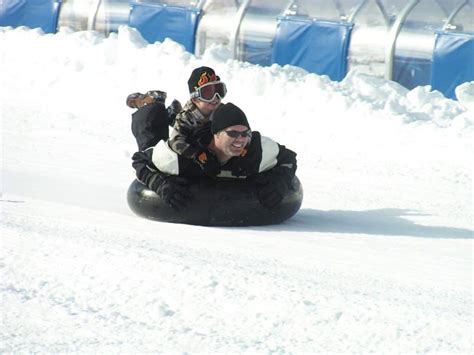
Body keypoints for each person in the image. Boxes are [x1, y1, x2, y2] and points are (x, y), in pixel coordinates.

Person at [132, 102, 297, 211]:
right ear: (216, 135)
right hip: (184, 144)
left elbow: (289, 159)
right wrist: (160, 184)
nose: (240, 140)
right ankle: (151, 105)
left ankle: (173, 114)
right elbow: (140, 160)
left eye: (244, 133)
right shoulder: (182, 156)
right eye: (232, 133)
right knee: (150, 135)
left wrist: (280, 180)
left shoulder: (257, 150)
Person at [168, 66, 227, 177]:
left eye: (218, 90)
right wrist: (197, 154)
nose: (215, 97)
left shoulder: (222, 110)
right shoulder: (187, 116)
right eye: (208, 93)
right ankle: (171, 115)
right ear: (195, 99)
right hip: (196, 142)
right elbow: (175, 141)